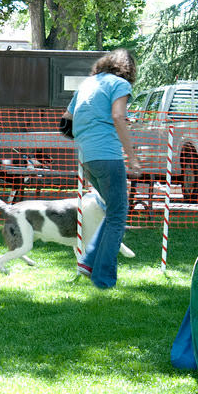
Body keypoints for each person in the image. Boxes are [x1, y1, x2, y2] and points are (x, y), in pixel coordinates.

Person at [61, 49, 140, 289]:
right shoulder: (120, 85)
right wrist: (132, 156)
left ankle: (89, 261)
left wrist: (88, 136)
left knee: (112, 209)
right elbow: (117, 116)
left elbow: (65, 122)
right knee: (117, 215)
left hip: (87, 159)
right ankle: (104, 279)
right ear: (129, 70)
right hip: (107, 156)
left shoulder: (87, 84)